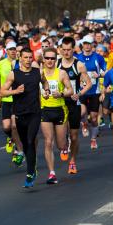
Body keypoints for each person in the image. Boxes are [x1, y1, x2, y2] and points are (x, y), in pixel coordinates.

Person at [1, 48, 42, 188]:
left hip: (35, 113)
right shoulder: (14, 74)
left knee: (30, 141)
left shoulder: (37, 72)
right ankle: (32, 166)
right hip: (19, 113)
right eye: (26, 57)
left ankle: (30, 173)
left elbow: (45, 82)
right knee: (25, 144)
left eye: (30, 57)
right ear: (20, 58)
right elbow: (2, 92)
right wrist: (15, 91)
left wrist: (47, 90)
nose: (28, 60)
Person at [39, 47, 72, 184]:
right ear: (43, 59)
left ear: (56, 59)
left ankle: (66, 141)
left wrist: (62, 94)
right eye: (47, 58)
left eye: (52, 58)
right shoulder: (39, 73)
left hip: (59, 110)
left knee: (61, 145)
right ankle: (52, 173)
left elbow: (70, 90)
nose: (50, 60)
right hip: (44, 110)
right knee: (48, 141)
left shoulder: (61, 73)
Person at [58, 37, 91, 175]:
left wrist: (79, 93)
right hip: (59, 102)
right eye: (64, 50)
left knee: (74, 136)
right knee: (61, 135)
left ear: (73, 49)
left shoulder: (79, 65)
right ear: (60, 49)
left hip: (73, 103)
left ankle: (72, 161)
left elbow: (89, 83)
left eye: (69, 50)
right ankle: (64, 145)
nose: (66, 52)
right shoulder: (56, 63)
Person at [0, 41, 24, 165]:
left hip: (18, 99)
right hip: (6, 99)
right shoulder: (0, 64)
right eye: (10, 49)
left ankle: (18, 148)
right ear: (6, 51)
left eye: (14, 49)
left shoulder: (20, 63)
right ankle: (11, 138)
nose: (13, 51)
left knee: (14, 126)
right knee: (6, 127)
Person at [76, 35, 106, 149]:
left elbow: (105, 71)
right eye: (85, 44)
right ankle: (84, 123)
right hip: (82, 90)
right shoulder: (77, 57)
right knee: (82, 112)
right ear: (82, 45)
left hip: (94, 91)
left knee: (94, 118)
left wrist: (99, 74)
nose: (87, 46)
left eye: (89, 44)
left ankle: (93, 139)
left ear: (92, 45)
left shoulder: (98, 57)